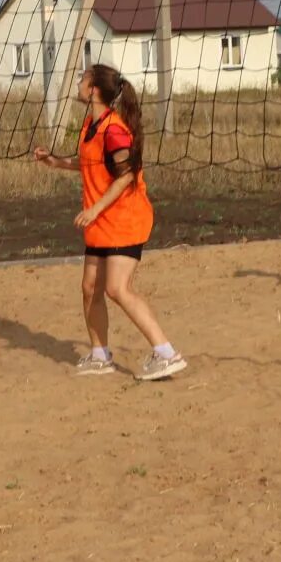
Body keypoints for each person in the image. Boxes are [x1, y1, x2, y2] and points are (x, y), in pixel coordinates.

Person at [32, 64, 187, 381]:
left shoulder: (115, 129)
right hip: (101, 220)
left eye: (82, 79)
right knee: (90, 288)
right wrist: (56, 162)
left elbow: (126, 174)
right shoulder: (92, 123)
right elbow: (91, 164)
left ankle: (166, 353)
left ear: (93, 90)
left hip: (123, 217)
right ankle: (100, 354)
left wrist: (96, 208)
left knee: (117, 288)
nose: (77, 82)